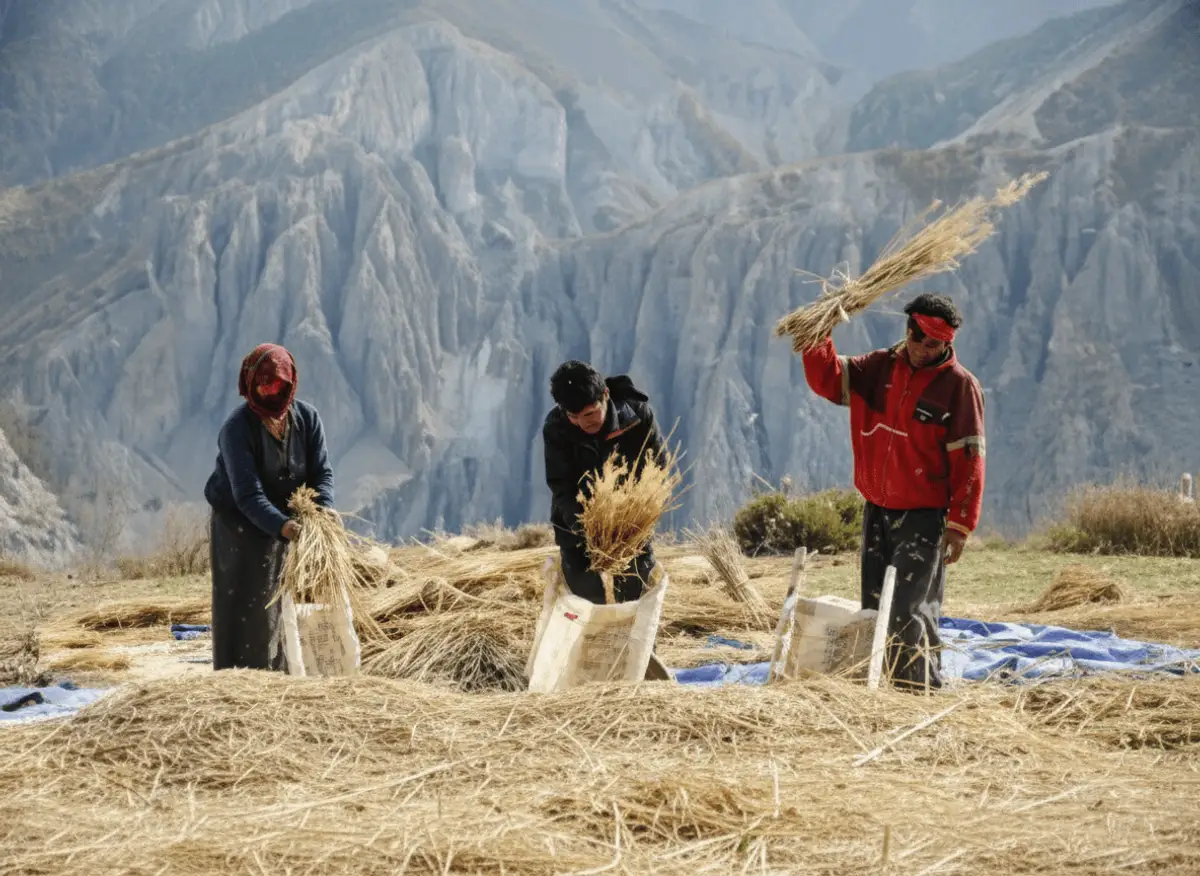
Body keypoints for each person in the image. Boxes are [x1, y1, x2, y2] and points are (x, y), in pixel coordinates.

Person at [801, 293, 986, 691]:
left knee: (908, 610)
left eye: (934, 343)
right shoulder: (877, 368)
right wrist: (816, 334)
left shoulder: (959, 388)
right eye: (918, 337)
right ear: (908, 329)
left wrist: (960, 525)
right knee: (874, 608)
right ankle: (881, 688)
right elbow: (827, 379)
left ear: (947, 343)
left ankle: (917, 692)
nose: (923, 348)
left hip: (923, 517)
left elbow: (969, 461)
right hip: (877, 511)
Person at [203, 343, 335, 672]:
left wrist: (323, 511)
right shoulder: (236, 430)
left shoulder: (307, 419)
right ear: (250, 383)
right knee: (249, 605)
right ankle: (242, 677)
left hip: (287, 525)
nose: (271, 392)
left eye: (278, 385)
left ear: (291, 383)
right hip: (239, 527)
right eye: (264, 385)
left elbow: (322, 473)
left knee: (287, 604)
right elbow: (247, 494)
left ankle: (286, 673)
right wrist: (282, 527)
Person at [542, 360, 665, 604]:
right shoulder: (556, 428)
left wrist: (631, 516)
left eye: (590, 413)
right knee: (586, 599)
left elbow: (657, 467)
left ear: (605, 395)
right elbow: (561, 486)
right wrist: (586, 528)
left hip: (631, 526)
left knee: (635, 595)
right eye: (574, 416)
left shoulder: (637, 417)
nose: (583, 422)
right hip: (576, 527)